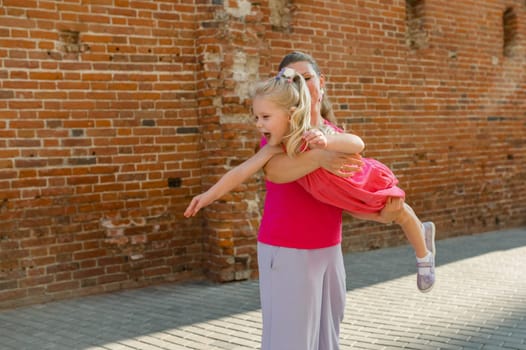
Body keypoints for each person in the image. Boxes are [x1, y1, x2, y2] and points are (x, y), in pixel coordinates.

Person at [186, 52, 433, 349]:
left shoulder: (332, 135)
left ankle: (423, 248)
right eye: (292, 80)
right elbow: (271, 173)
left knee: (327, 341)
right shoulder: (279, 136)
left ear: (321, 84)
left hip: (329, 250)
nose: (301, 85)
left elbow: (340, 195)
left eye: (306, 78)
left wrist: (380, 215)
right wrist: (209, 195)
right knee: (290, 342)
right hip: (288, 249)